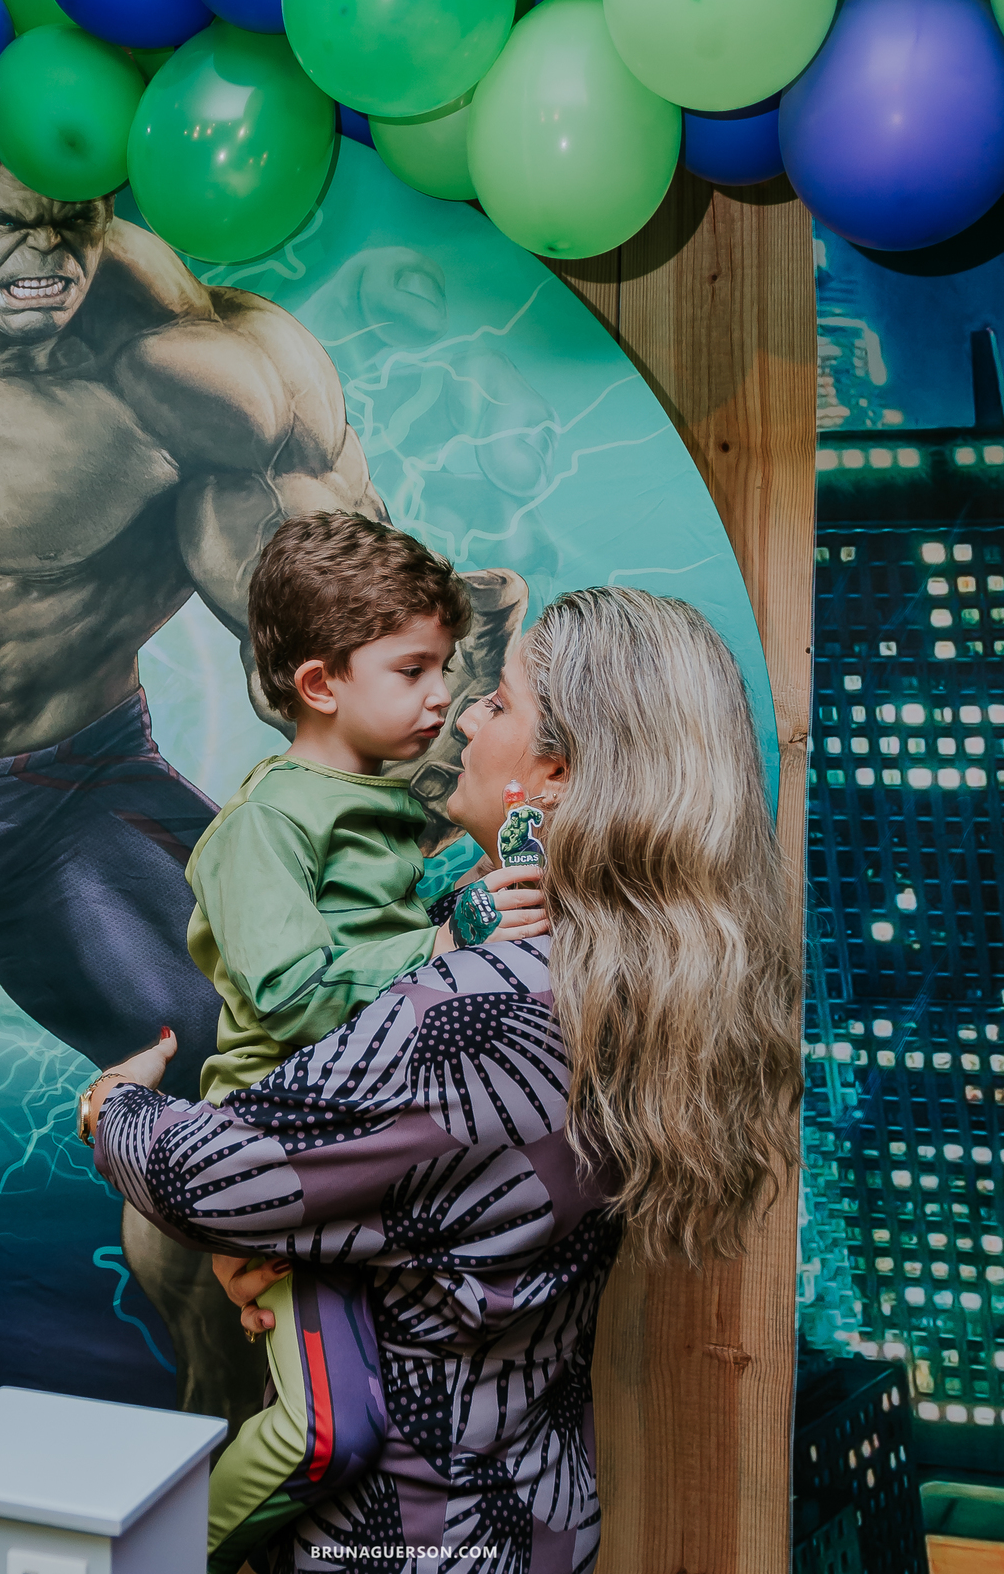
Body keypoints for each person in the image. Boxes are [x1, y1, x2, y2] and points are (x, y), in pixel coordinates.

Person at [0, 117, 526, 1459]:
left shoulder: (190, 373)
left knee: (242, 1116)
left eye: (76, 227)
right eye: (15, 226)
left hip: (66, 800)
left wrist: (450, 803)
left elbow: (342, 638)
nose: (51, 261)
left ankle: (236, 1460)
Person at [83, 586, 803, 1571]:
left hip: (408, 1542)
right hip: (536, 1515)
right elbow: (447, 1206)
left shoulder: (492, 1007)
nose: (465, 714)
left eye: (498, 704)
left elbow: (210, 1177)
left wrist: (112, 1102)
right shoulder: (635, 981)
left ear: (555, 773)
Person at [156, 512, 546, 1570]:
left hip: (359, 1135)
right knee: (326, 1427)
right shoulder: (267, 826)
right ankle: (162, 1554)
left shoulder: (378, 805)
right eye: (414, 670)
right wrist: (446, 939)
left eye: (447, 671)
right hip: (284, 1136)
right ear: (323, 684)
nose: (442, 699)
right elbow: (288, 995)